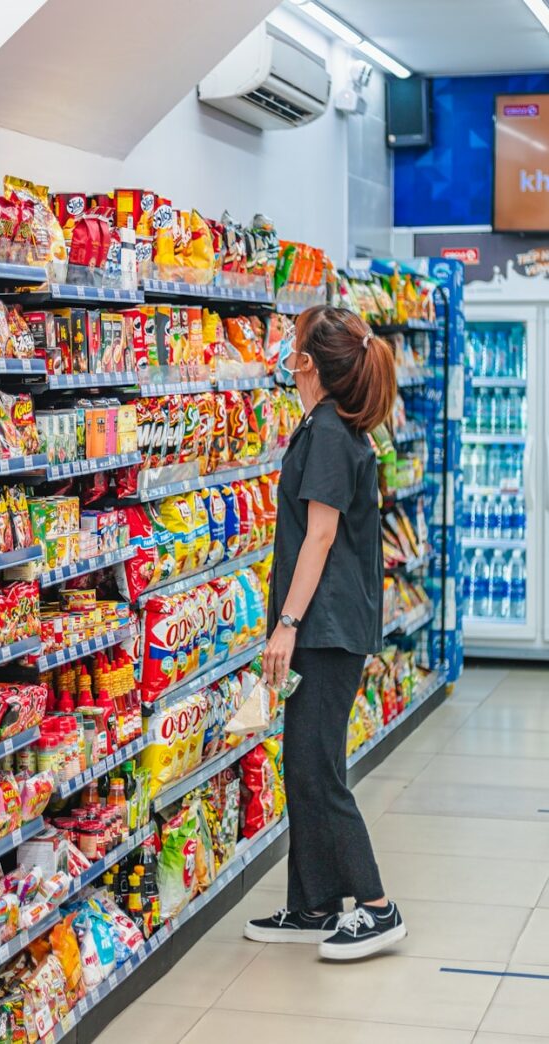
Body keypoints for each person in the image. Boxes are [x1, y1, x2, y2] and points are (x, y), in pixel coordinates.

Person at [244, 305, 407, 961]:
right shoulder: (323, 424)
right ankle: (313, 905)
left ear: (308, 362)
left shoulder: (335, 435)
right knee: (302, 763)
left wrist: (286, 623)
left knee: (318, 769)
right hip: (323, 621)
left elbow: (320, 535)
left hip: (327, 626)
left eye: (295, 336)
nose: (284, 343)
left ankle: (376, 907)